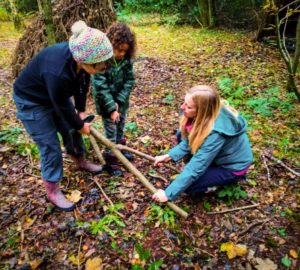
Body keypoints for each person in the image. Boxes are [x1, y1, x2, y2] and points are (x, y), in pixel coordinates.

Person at [13, 20, 113, 211]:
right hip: (32, 101)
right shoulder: (58, 71)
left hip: (53, 93)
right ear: (82, 60)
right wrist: (79, 124)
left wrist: (81, 111)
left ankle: (80, 160)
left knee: (71, 129)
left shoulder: (79, 62)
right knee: (50, 146)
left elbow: (83, 84)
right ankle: (52, 190)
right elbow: (62, 106)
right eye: (100, 64)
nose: (103, 67)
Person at [152, 85, 253, 202]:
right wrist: (170, 155)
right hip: (217, 155)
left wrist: (168, 193)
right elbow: (192, 139)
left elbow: (197, 166)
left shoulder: (216, 133)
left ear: (202, 112)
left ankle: (217, 185)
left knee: (189, 187)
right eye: (184, 102)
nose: (182, 107)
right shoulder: (208, 114)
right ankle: (209, 174)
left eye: (188, 107)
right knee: (181, 134)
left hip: (231, 166)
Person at [91, 23, 136, 176]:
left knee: (120, 127)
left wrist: (120, 101)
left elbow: (130, 81)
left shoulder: (126, 61)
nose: (121, 54)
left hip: (121, 104)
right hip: (106, 105)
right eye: (119, 50)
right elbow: (100, 87)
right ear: (110, 45)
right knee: (111, 132)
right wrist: (111, 108)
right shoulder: (101, 60)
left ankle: (121, 151)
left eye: (125, 51)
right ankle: (110, 160)